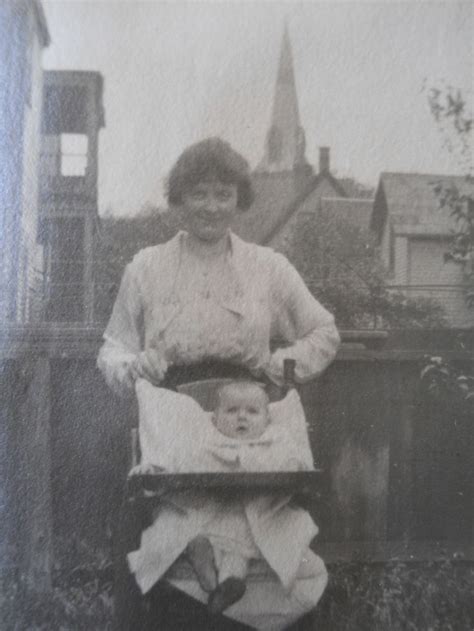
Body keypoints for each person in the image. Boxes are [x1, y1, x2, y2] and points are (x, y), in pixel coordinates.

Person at [97, 137, 340, 628]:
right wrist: (134, 366)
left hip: (246, 419)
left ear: (239, 199)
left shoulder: (268, 268)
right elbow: (112, 347)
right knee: (153, 528)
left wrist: (277, 366)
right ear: (180, 199)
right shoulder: (146, 267)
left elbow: (324, 331)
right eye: (199, 194)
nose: (211, 206)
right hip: (172, 421)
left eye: (223, 194)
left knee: (277, 528)